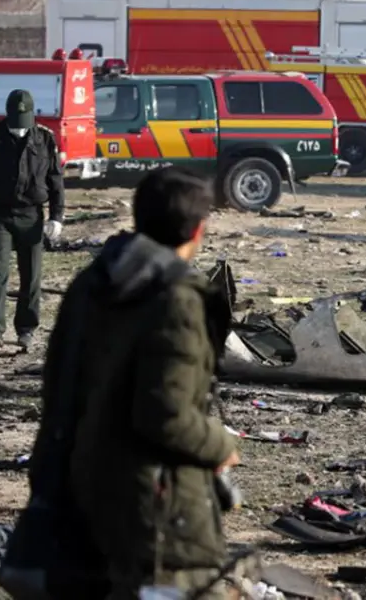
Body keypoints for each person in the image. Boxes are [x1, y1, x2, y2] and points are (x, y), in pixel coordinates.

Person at [66, 167, 243, 597]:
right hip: (156, 498)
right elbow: (165, 414)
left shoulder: (94, 283)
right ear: (198, 230)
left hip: (86, 476)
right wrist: (221, 446)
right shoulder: (177, 298)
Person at [0, 89, 64, 351]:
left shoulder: (44, 139)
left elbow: (55, 180)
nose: (20, 129)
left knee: (31, 275)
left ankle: (27, 330)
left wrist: (56, 217)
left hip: (32, 215)